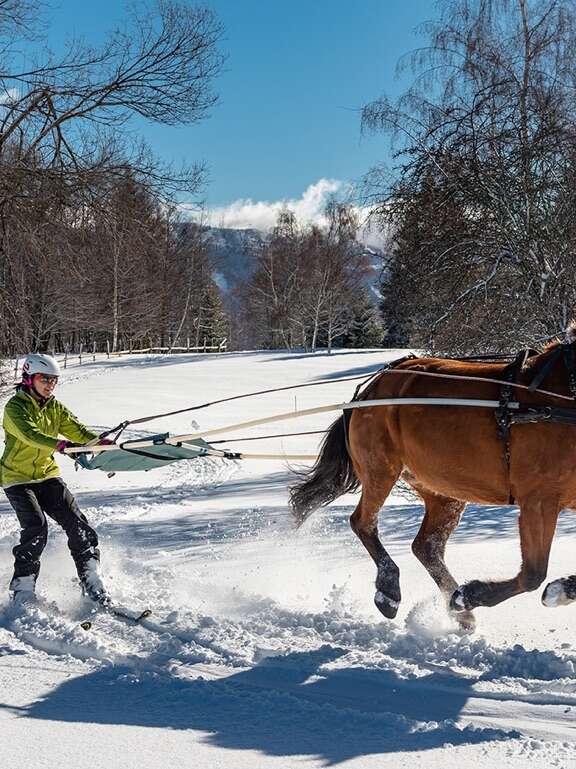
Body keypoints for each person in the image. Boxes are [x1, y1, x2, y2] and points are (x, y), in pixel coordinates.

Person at [0, 352, 111, 605]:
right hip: (17, 478)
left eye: (54, 380)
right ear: (29, 378)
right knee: (37, 528)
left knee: (77, 523)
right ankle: (23, 588)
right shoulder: (15, 408)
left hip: (47, 475)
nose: (50, 384)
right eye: (45, 379)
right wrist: (60, 444)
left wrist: (98, 443)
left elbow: (77, 430)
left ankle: (91, 579)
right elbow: (31, 435)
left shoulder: (55, 406)